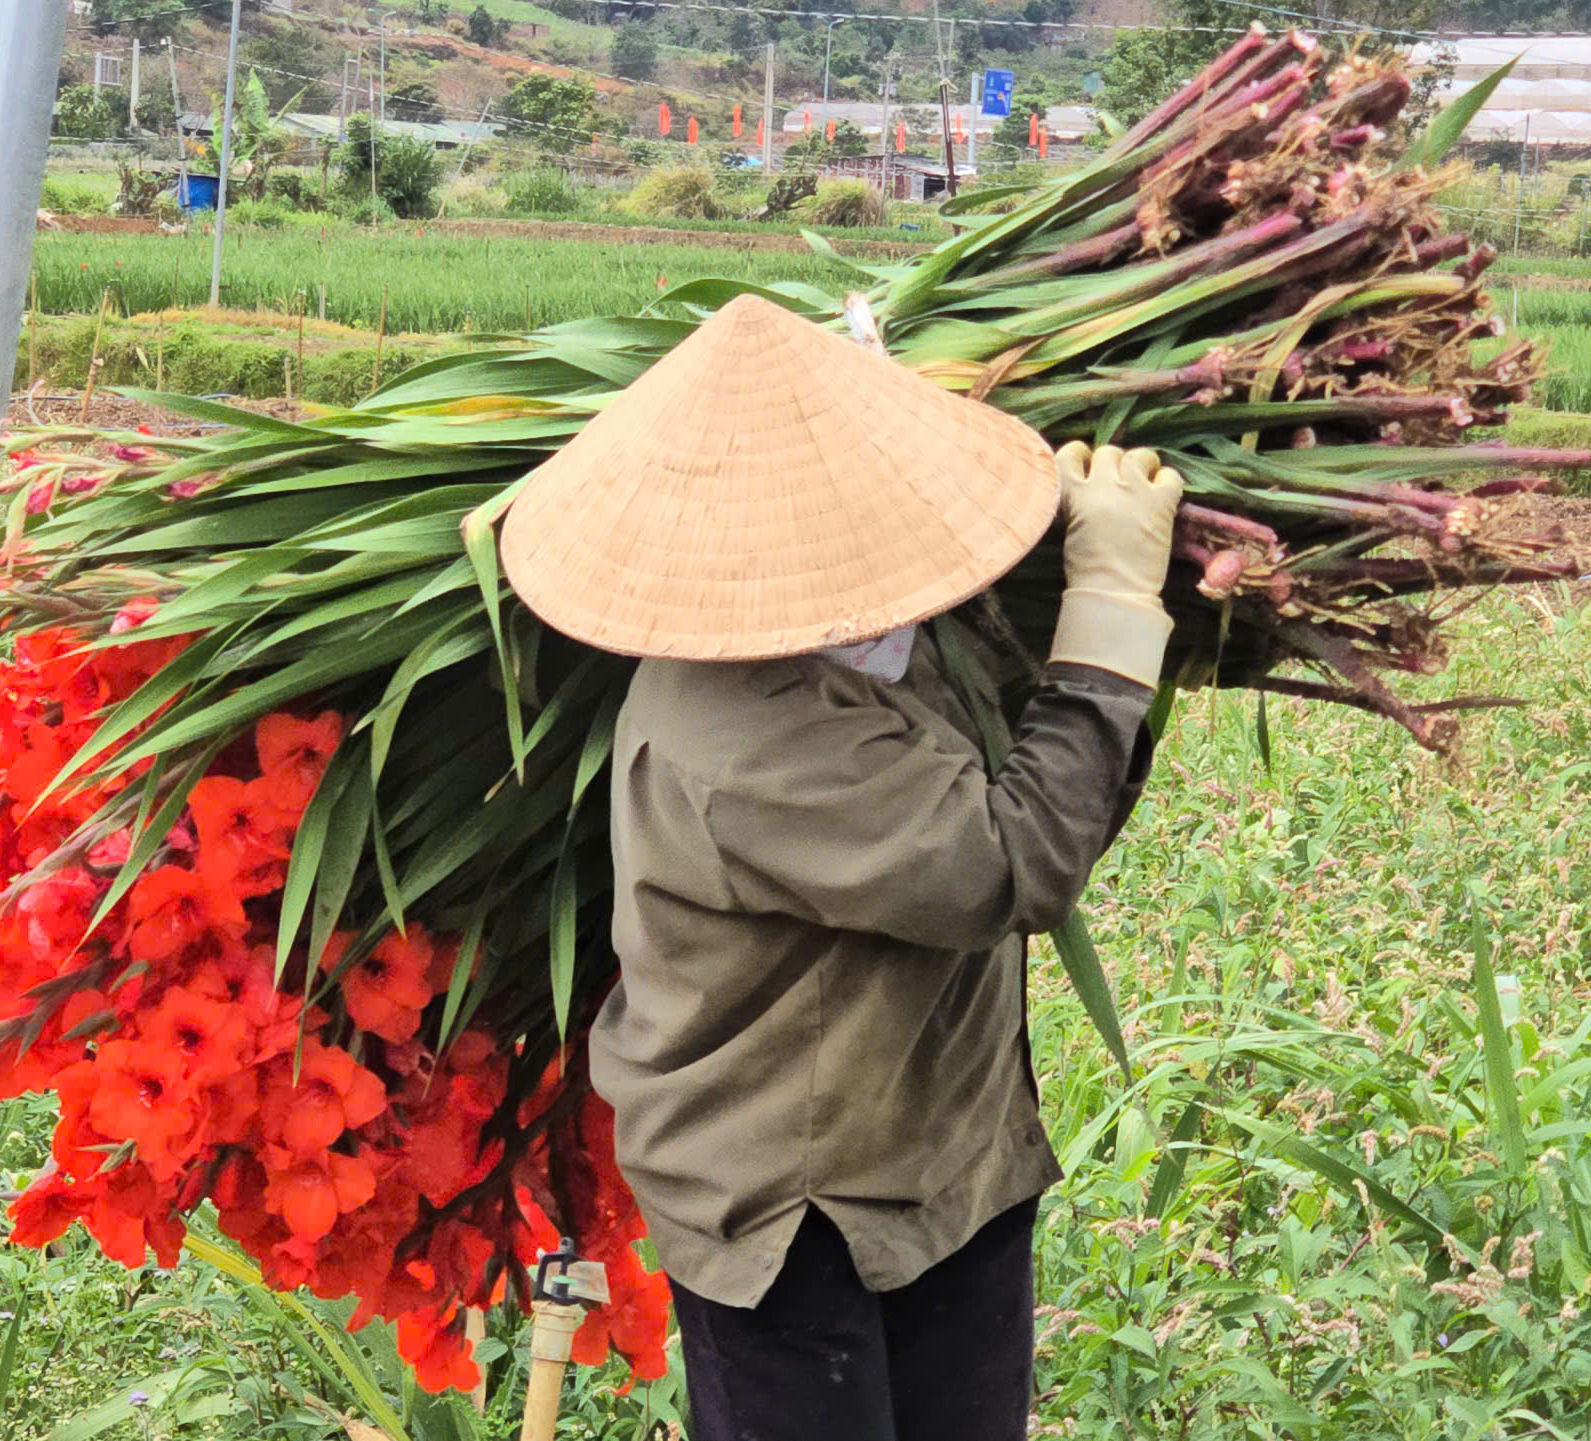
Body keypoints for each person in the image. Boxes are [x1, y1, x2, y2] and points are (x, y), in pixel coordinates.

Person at [498, 295, 1182, 1441]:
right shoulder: (747, 727)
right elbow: (1010, 863)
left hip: (946, 1142)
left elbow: (1048, 785)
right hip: (792, 1206)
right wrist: (1111, 603)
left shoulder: (884, 632)